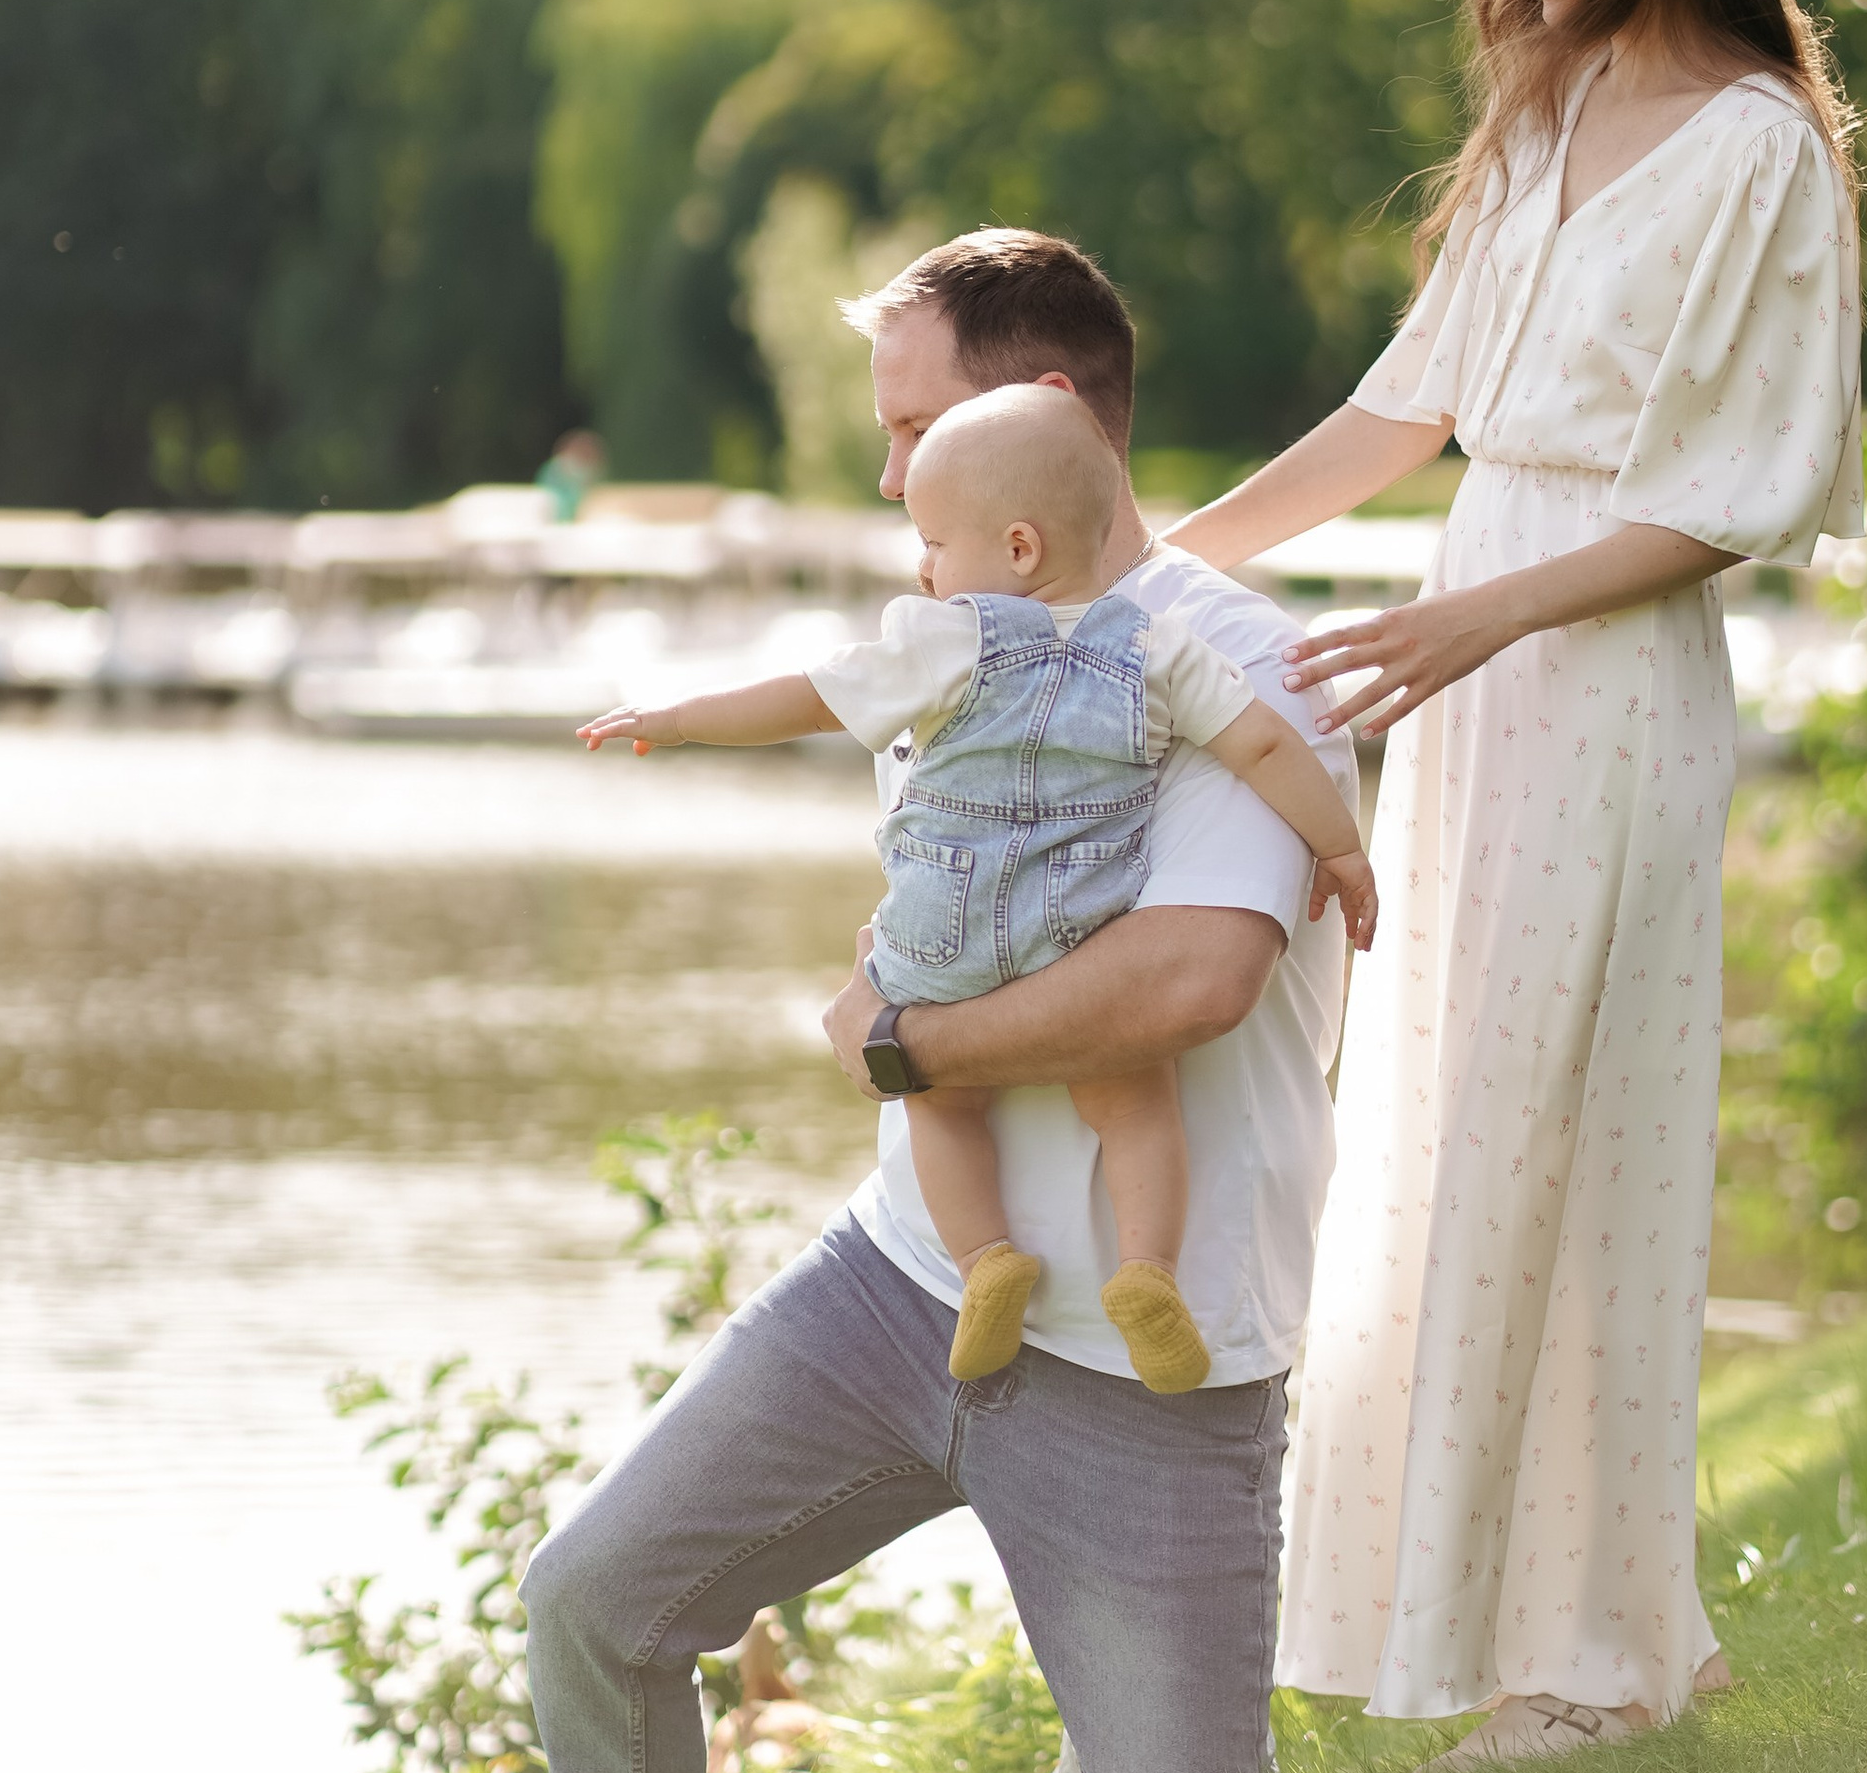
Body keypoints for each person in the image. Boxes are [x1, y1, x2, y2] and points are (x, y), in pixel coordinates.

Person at [519, 230, 1359, 1773]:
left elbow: (1194, 978)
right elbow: (953, 875)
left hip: (1149, 1357)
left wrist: (905, 1041)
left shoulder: (1230, 666)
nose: (893, 475)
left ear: (1044, 418)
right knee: (594, 1599)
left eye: (914, 430)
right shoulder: (960, 629)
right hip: (903, 1282)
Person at [1168, 0, 1863, 1769]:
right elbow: (1405, 414)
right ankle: (1493, 1620)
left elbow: (1731, 488)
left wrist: (1469, 613)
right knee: (1449, 1128)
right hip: (1467, 680)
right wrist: (1141, 569)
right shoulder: (1544, 120)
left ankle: (1588, 1653)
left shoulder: (1758, 151)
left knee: (1585, 1138)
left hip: (1600, 670)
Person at [579, 383, 1375, 1395]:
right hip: (1085, 925)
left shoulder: (945, 639)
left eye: (934, 542)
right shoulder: (1160, 649)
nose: (923, 566)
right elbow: (1261, 741)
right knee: (1134, 1102)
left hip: (943, 927)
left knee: (938, 1097)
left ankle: (986, 1259)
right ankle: (1146, 1273)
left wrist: (683, 717)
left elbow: (811, 697)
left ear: (1018, 550)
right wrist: (1341, 850)